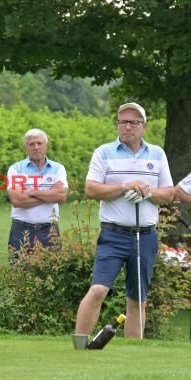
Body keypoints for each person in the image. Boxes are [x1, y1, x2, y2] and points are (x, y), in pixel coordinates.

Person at [75, 102, 174, 339]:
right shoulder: (104, 152)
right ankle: (79, 347)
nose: (127, 126)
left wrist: (147, 192)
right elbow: (90, 189)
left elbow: (169, 194)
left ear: (144, 127)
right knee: (98, 289)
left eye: (133, 122)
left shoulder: (157, 154)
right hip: (113, 234)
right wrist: (124, 187)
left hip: (145, 235)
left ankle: (133, 354)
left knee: (137, 298)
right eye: (122, 122)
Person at [7, 128, 68, 262]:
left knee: (52, 274)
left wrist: (33, 192)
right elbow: (17, 200)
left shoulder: (58, 168)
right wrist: (49, 193)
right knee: (17, 276)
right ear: (26, 147)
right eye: (32, 144)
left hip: (49, 231)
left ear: (46, 145)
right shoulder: (15, 169)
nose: (36, 147)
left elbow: (61, 196)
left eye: (40, 143)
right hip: (21, 230)